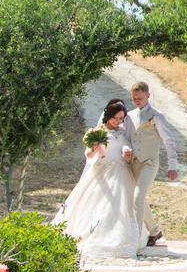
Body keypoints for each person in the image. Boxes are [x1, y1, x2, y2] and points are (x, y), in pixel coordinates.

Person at [49, 98, 144, 259]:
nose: (117, 121)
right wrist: (94, 149)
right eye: (115, 118)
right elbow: (88, 154)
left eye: (121, 118)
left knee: (121, 203)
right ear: (108, 116)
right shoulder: (97, 131)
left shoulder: (123, 132)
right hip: (102, 170)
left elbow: (127, 145)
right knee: (98, 202)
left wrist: (127, 152)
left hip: (121, 171)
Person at [125, 81, 179, 247]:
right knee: (138, 199)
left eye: (140, 98)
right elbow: (127, 138)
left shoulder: (157, 115)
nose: (137, 101)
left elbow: (168, 140)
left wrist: (172, 165)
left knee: (138, 197)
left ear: (148, 96)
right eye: (134, 98)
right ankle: (154, 231)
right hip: (133, 162)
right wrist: (126, 149)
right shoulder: (129, 115)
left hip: (149, 162)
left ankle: (136, 240)